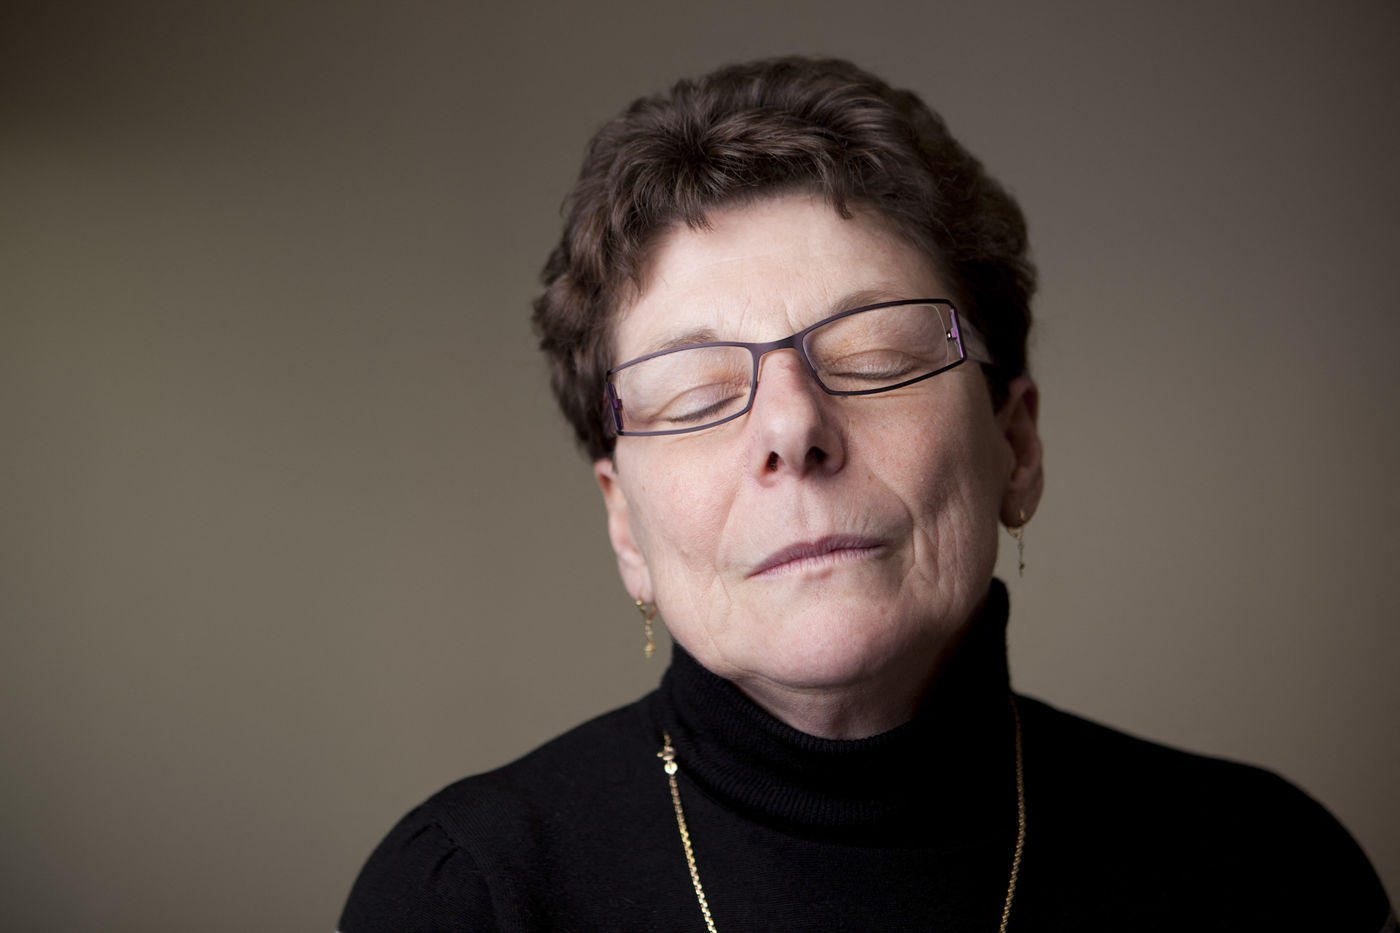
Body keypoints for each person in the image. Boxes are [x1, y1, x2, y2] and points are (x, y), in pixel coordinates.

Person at [339, 57, 1392, 931]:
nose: (791, 429)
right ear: (624, 522)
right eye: (698, 392)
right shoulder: (467, 896)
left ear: (1015, 443)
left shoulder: (1271, 871)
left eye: (877, 355)